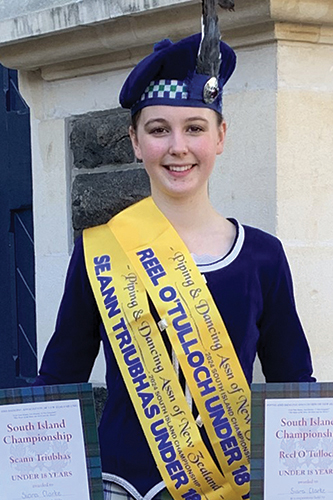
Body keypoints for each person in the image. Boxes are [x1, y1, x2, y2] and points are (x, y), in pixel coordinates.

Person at [34, 21, 315, 500]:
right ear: (136, 141)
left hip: (232, 486)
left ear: (221, 136)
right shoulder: (99, 250)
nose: (178, 147)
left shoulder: (262, 256)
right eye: (159, 130)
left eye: (195, 128)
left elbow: (296, 393)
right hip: (123, 487)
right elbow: (58, 383)